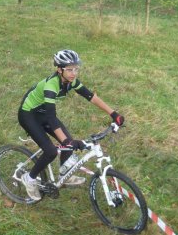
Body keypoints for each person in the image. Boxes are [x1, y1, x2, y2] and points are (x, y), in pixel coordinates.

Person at [18, 49, 124, 201]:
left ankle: (64, 175)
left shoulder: (71, 81)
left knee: (67, 141)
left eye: (76, 69)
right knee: (51, 151)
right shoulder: (51, 86)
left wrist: (114, 114)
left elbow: (91, 97)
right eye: (69, 69)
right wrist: (66, 142)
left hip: (42, 113)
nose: (74, 73)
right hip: (28, 114)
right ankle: (30, 177)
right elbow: (51, 117)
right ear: (59, 69)